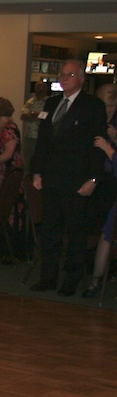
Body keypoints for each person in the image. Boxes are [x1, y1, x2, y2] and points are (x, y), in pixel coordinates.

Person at [31, 59, 107, 296]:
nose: (64, 79)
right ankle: (48, 277)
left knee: (76, 232)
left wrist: (93, 179)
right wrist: (37, 171)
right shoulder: (52, 103)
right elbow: (42, 142)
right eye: (62, 75)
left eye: (69, 75)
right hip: (52, 177)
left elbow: (97, 145)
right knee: (50, 230)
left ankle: (71, 280)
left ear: (81, 80)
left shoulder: (92, 105)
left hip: (77, 179)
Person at [81, 83, 117, 298]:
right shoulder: (93, 118)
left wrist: (109, 144)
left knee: (107, 235)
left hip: (110, 185)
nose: (108, 110)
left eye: (112, 106)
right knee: (100, 232)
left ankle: (98, 281)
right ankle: (94, 278)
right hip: (97, 182)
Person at [20, 81, 48, 175]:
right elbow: (23, 115)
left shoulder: (49, 102)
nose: (40, 89)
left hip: (42, 136)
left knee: (40, 158)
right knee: (26, 158)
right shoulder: (30, 101)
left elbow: (47, 117)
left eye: (42, 87)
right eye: (38, 87)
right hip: (28, 135)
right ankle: (26, 177)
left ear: (46, 89)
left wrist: (33, 114)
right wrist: (38, 115)